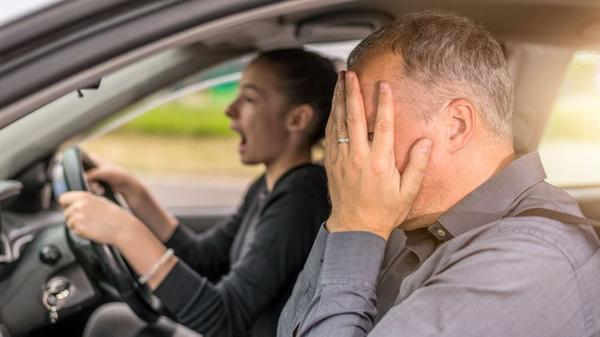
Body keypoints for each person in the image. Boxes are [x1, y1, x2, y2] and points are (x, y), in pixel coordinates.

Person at [277, 11, 600, 337]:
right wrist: (344, 225)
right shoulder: (410, 222)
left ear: (455, 126)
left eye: (369, 134)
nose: (348, 159)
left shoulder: (529, 263)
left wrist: (354, 227)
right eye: (346, 137)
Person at [59, 48, 337, 337]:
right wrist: (135, 192)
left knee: (110, 324)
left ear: (298, 119)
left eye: (250, 99)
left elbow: (224, 318)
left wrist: (124, 232)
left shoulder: (300, 198)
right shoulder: (268, 186)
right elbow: (205, 258)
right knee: (112, 321)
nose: (230, 109)